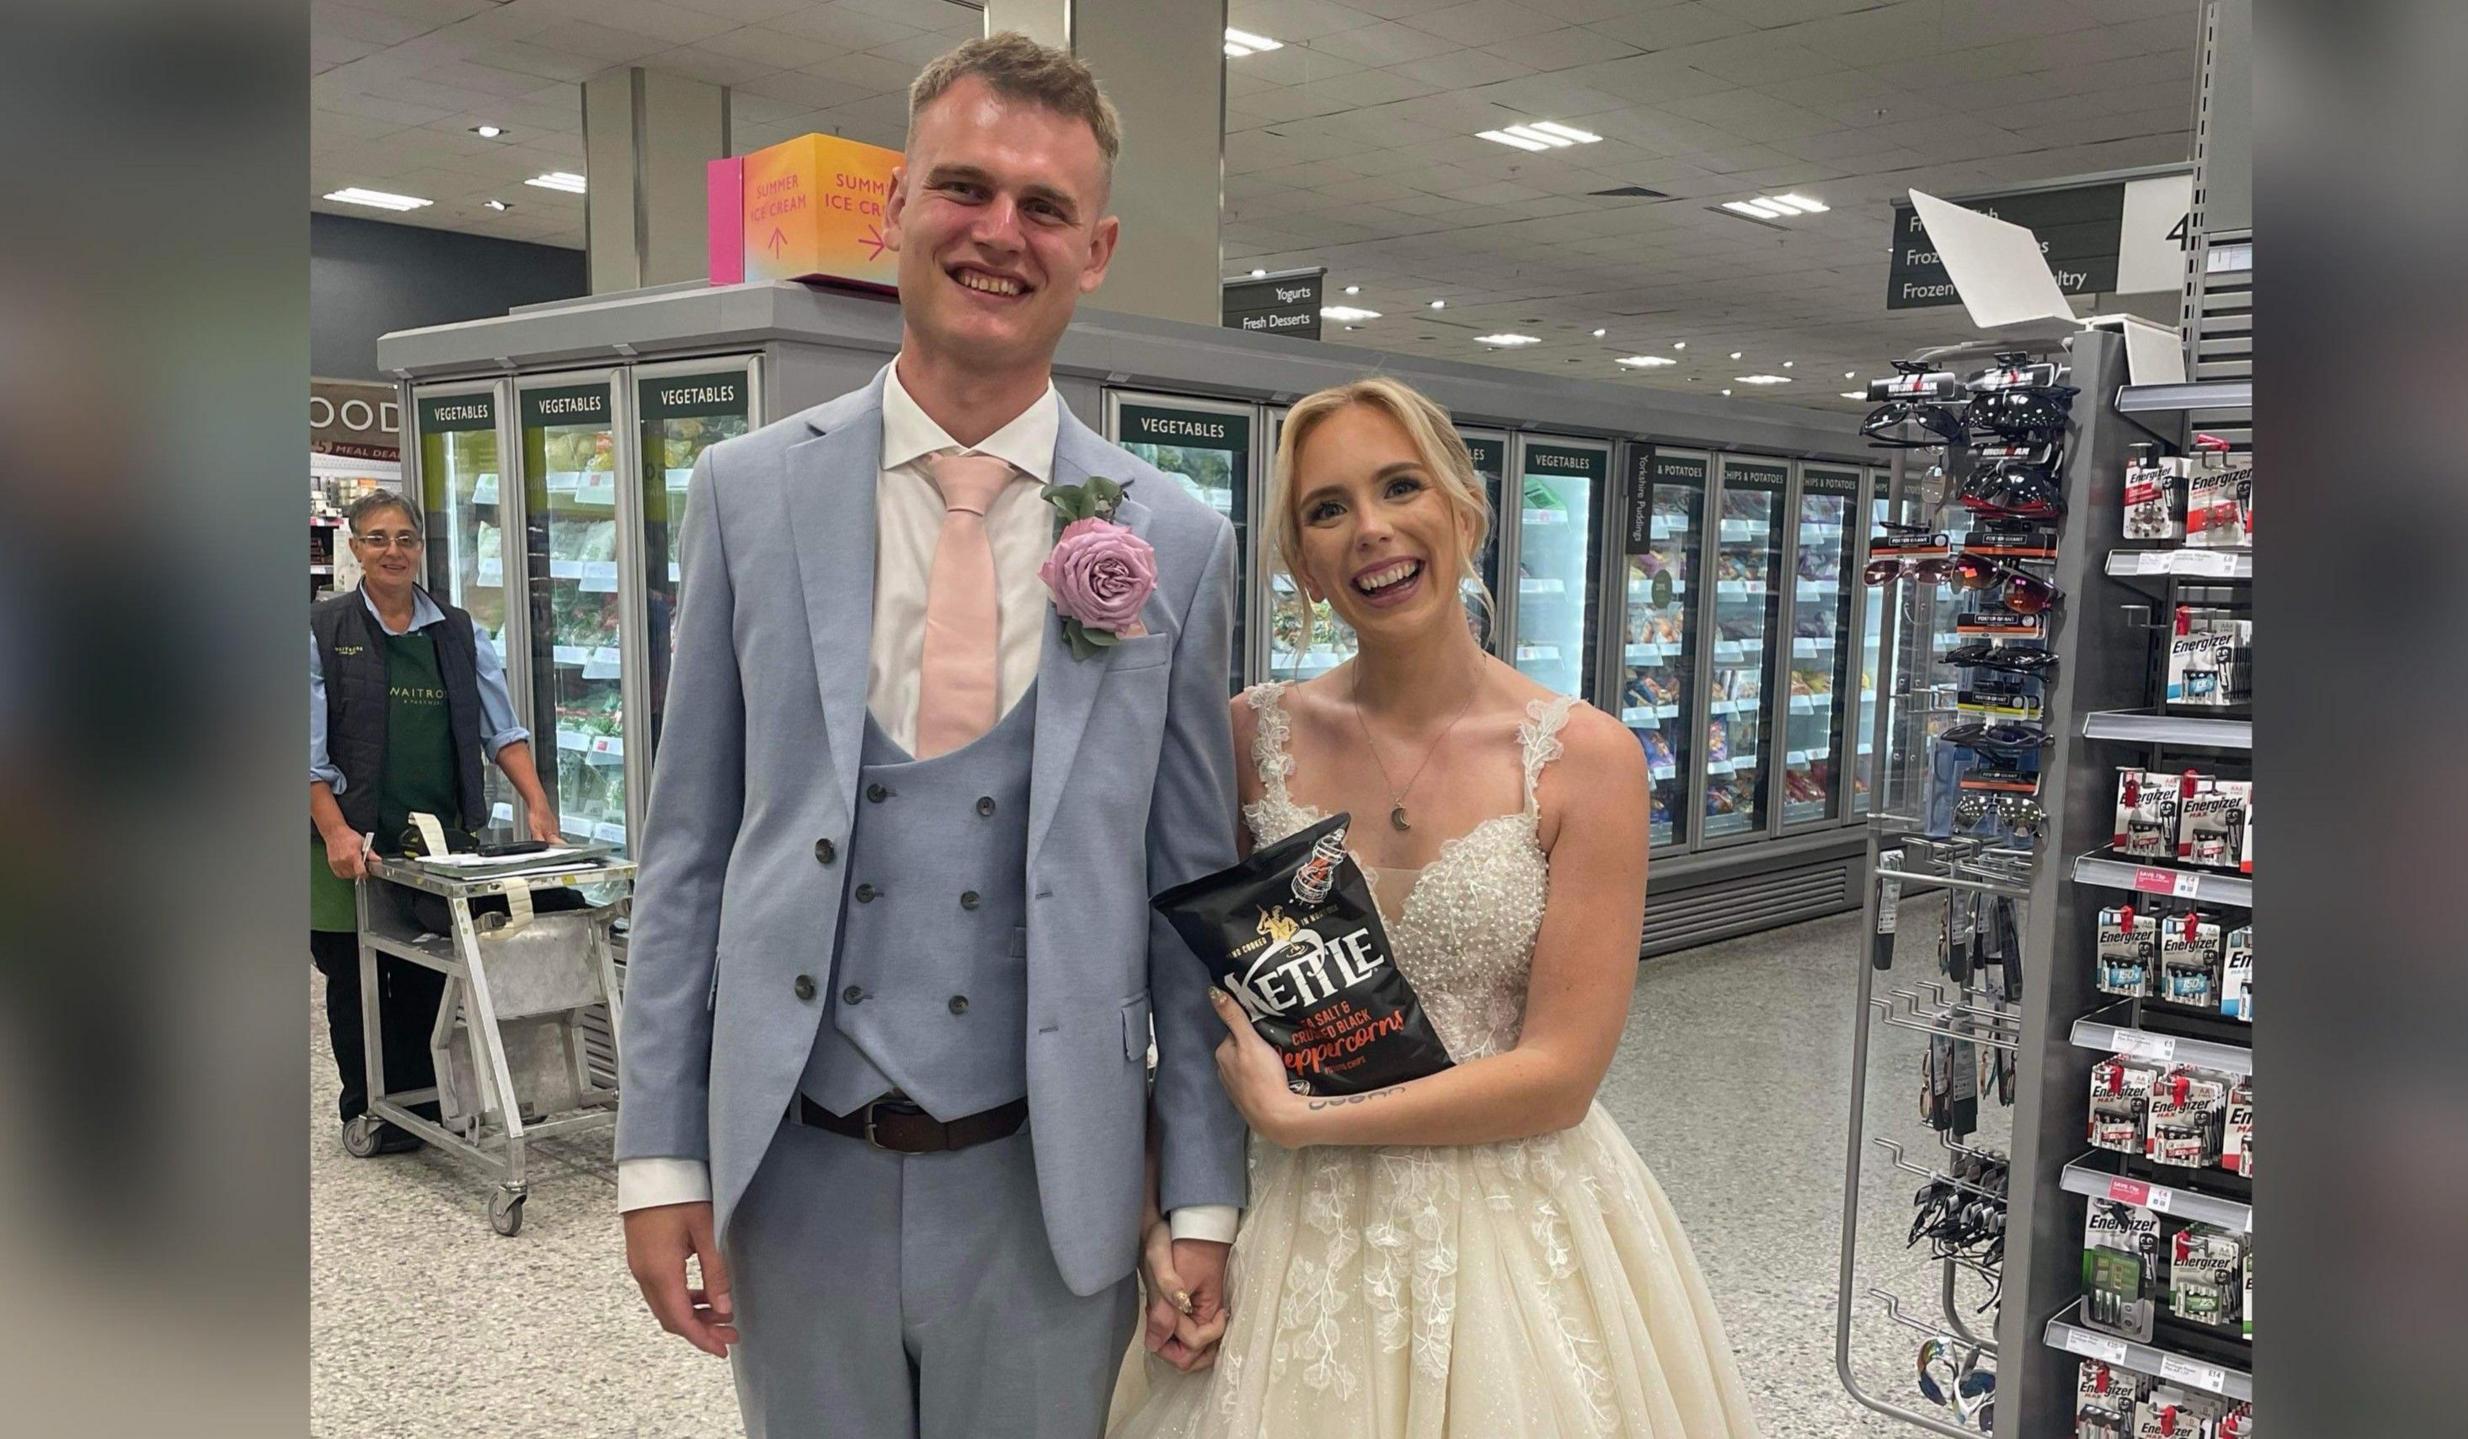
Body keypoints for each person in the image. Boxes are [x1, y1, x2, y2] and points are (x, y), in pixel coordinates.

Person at [613, 33, 1247, 1439]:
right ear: (897, 205)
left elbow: (1188, 896)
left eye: (1045, 208)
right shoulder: (745, 493)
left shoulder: (1173, 540)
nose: (998, 233)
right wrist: (660, 1156)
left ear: (1097, 249)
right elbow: (689, 854)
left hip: (1050, 1186)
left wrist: (1202, 1191)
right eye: (965, 188)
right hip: (796, 1171)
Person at [1111, 378, 1763, 1438]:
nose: (1370, 529)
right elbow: (1191, 1007)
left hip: (1511, 1221)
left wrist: (1309, 1116)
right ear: (1306, 567)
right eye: (1328, 509)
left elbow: (1560, 1072)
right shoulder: (1248, 737)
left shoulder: (1584, 759)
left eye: (1398, 486)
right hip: (1289, 1226)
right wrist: (1167, 1211)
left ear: (1463, 510)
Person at [310, 490, 562, 1151]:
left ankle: (427, 1103)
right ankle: (369, 1109)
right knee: (353, 971)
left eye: (405, 538)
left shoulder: (457, 629)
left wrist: (536, 801)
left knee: (428, 967)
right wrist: (334, 829)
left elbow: (500, 727)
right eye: (377, 539)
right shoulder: (321, 630)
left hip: (436, 838)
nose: (393, 551)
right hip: (346, 835)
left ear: (421, 547)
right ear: (356, 548)